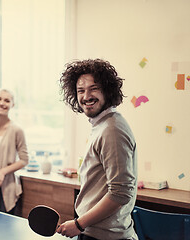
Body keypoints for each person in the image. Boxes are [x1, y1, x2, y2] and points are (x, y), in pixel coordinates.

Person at [57, 59, 138, 240]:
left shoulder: (112, 129)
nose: (86, 96)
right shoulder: (102, 125)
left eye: (93, 88)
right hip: (95, 232)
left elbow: (120, 193)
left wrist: (79, 224)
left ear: (107, 90)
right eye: (81, 90)